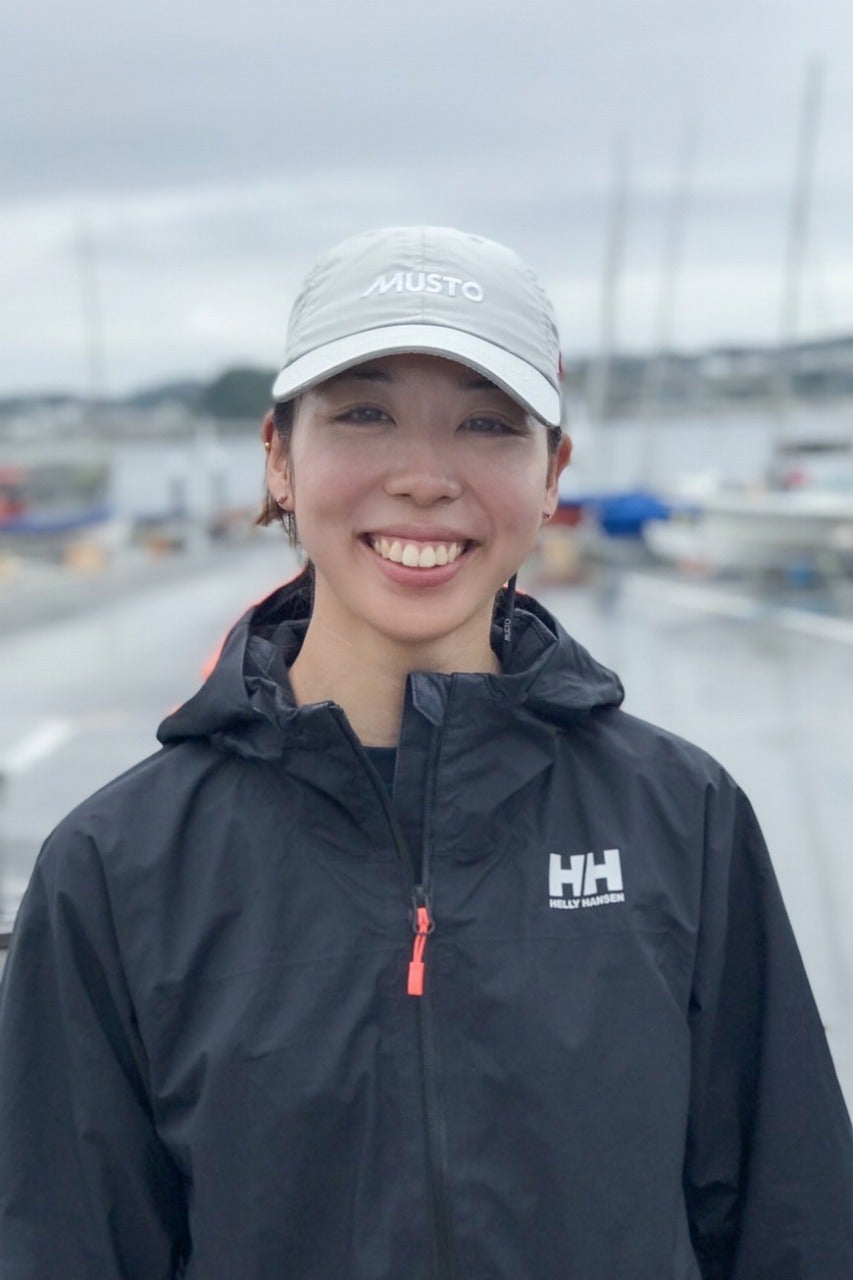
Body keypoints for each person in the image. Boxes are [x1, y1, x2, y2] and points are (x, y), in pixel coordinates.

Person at [0, 225, 851, 1279]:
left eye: (487, 424)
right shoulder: (115, 868)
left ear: (553, 473)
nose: (423, 476)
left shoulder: (683, 818)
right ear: (278, 454)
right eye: (364, 413)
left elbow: (792, 1224)